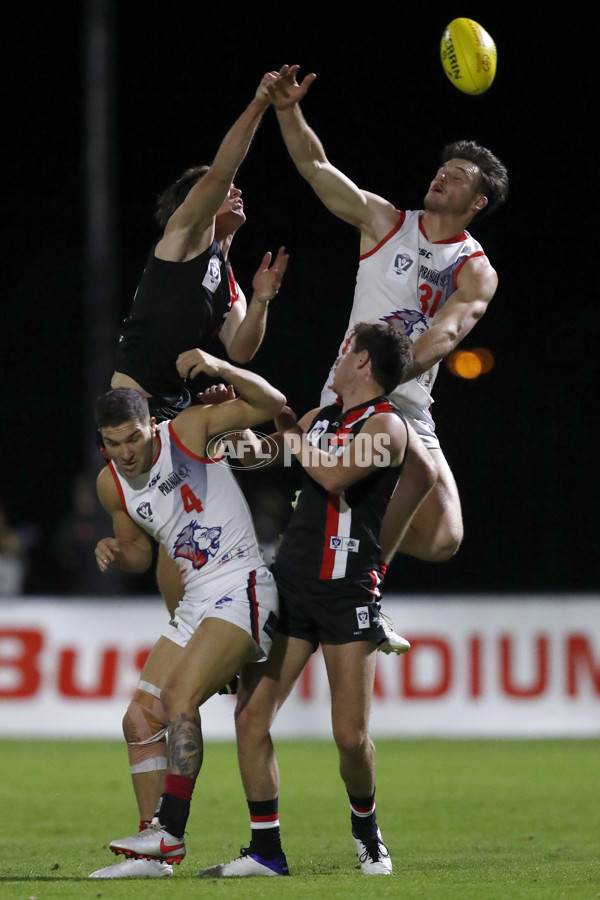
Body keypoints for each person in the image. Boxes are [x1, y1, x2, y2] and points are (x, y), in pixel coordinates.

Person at [262, 65, 509, 646]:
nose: (441, 176)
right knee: (380, 482)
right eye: (441, 168)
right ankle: (358, 583)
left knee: (445, 536)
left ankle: (340, 529)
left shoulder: (474, 269)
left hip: (407, 405)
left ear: (478, 201)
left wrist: (390, 380)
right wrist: (287, 110)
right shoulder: (388, 223)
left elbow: (446, 338)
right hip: (349, 397)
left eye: (456, 177)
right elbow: (316, 169)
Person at [194, 322, 435, 878]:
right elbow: (265, 456)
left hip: (346, 593)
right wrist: (227, 427)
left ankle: (366, 829)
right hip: (293, 583)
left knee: (349, 737)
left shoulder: (386, 426)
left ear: (364, 365)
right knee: (251, 717)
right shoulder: (323, 419)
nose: (339, 354)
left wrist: (379, 557)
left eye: (347, 348)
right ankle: (266, 853)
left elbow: (328, 474)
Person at [88, 351, 286, 879]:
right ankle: (154, 845)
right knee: (138, 719)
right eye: (114, 443)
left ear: (151, 423)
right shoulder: (112, 484)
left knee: (177, 698)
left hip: (242, 583)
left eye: (133, 437)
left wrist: (220, 366)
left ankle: (170, 835)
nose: (127, 452)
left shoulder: (190, 430)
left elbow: (274, 404)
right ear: (103, 444)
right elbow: (137, 553)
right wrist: (114, 548)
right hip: (197, 599)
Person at [109, 72, 289, 618]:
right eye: (218, 188)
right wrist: (260, 101)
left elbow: (241, 350)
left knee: (254, 450)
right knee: (173, 527)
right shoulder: (184, 237)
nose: (234, 190)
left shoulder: (225, 272)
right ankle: (186, 627)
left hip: (178, 407)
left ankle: (229, 606)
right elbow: (222, 169)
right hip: (137, 409)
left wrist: (260, 300)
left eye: (233, 188)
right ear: (194, 201)